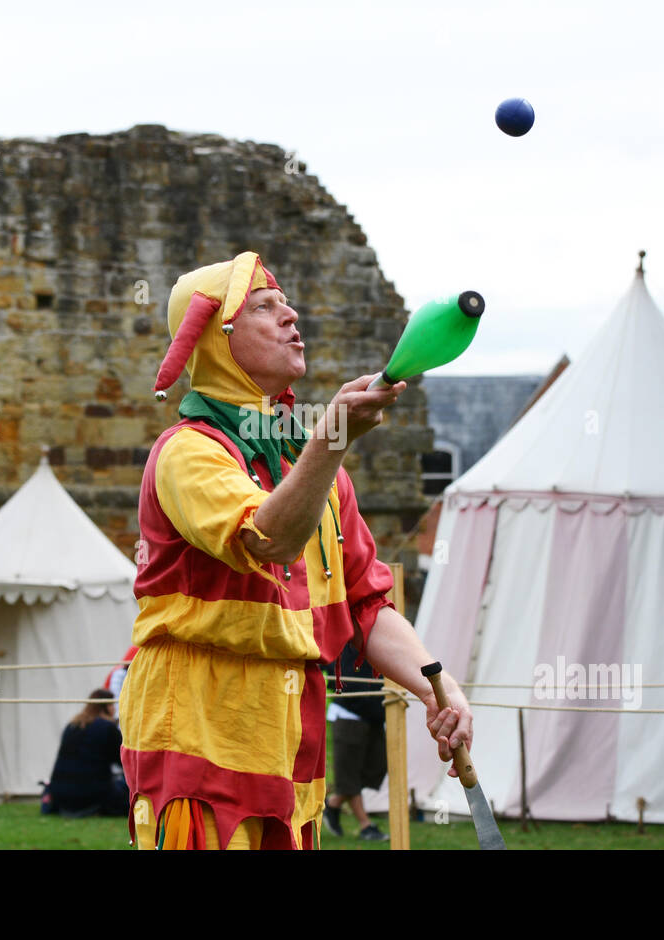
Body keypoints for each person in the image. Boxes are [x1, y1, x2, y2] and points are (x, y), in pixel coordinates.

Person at [119, 251, 473, 850]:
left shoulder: (314, 472)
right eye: (264, 306)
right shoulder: (187, 452)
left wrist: (440, 688)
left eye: (285, 302)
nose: (290, 315)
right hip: (200, 733)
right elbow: (269, 538)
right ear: (215, 339)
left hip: (291, 737)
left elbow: (366, 604)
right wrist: (331, 438)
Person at [322, 643, 389, 841]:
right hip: (348, 714)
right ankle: (365, 825)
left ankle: (333, 804)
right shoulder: (344, 638)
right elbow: (327, 662)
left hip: (375, 715)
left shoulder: (377, 638)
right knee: (348, 774)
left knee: (377, 767)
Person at [44, 689, 129, 817]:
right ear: (105, 707)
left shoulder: (72, 725)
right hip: (91, 794)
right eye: (112, 705)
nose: (114, 709)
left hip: (60, 795)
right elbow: (124, 761)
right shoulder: (107, 727)